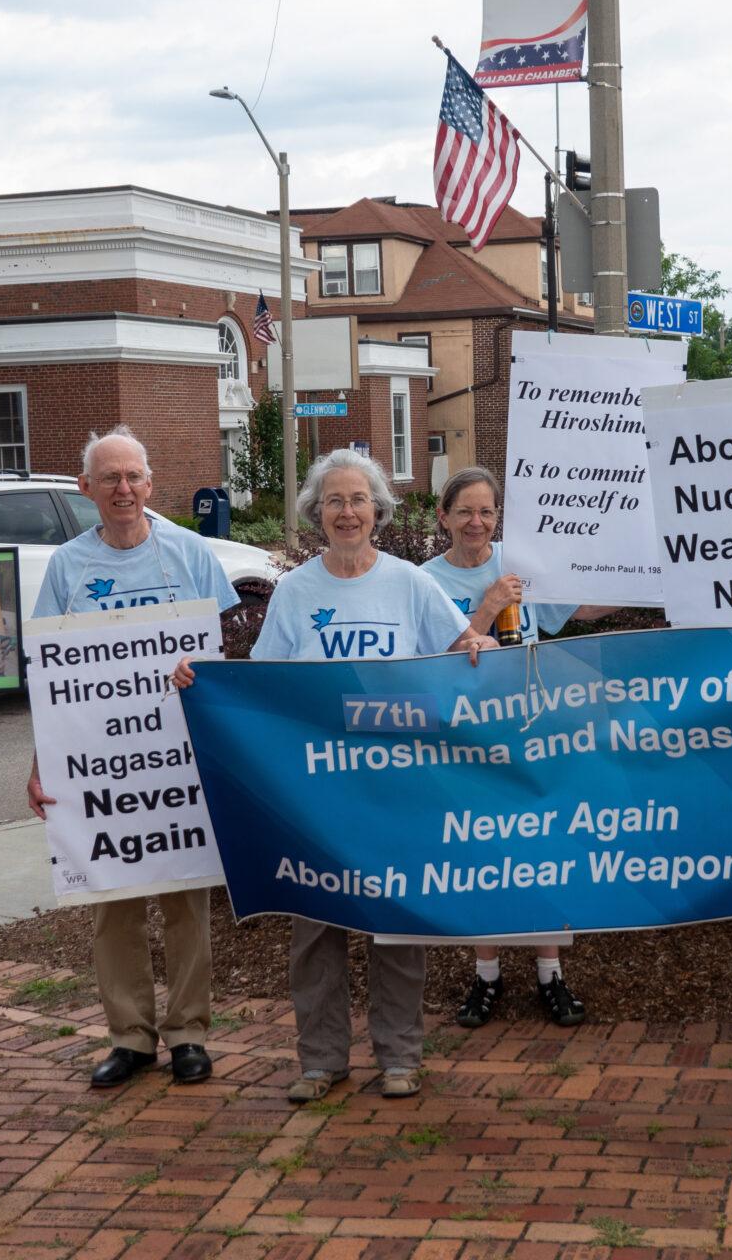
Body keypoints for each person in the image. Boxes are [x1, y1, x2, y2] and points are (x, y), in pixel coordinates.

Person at [179, 448, 494, 1104]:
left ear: (377, 509)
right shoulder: (296, 591)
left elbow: (459, 647)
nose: (346, 512)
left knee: (394, 925)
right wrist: (201, 681)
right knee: (315, 924)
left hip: (394, 789)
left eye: (357, 500)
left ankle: (400, 1055)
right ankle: (320, 1060)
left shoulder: (409, 583)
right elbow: (265, 684)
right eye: (333, 501)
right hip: (317, 795)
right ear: (315, 512)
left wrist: (477, 646)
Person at [27, 426, 236, 1090]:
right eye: (108, 478)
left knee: (185, 900)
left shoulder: (190, 553)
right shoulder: (68, 567)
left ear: (150, 483)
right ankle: (129, 1036)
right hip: (100, 762)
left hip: (177, 755)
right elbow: (51, 674)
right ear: (85, 488)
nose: (123, 489)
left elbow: (225, 648)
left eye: (133, 477)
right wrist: (42, 762)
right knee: (112, 899)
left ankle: (188, 1033)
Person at [419, 466, 611, 1031]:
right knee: (482, 857)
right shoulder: (421, 581)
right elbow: (426, 662)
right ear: (443, 517)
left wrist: (648, 581)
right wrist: (486, 606)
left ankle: (551, 974)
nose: (476, 523)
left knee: (544, 851)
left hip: (533, 732)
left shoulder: (521, 563)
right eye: (465, 512)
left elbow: (578, 609)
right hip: (466, 739)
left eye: (487, 512)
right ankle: (487, 976)